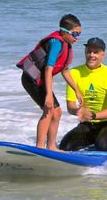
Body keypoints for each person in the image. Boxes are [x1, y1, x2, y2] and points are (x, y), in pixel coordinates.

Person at [16, 14, 83, 151]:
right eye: (75, 34)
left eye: (79, 34)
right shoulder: (56, 43)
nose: (77, 38)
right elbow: (48, 69)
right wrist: (48, 95)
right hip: (32, 79)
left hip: (40, 81)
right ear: (64, 32)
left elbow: (65, 71)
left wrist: (77, 91)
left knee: (57, 112)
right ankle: (40, 147)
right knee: (49, 110)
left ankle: (51, 147)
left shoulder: (66, 44)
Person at [59, 37, 107, 152]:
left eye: (95, 52)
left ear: (103, 55)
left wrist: (92, 115)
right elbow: (70, 106)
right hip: (87, 125)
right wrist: (78, 111)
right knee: (65, 146)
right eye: (88, 51)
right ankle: (93, 142)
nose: (91, 55)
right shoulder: (74, 73)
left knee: (103, 145)